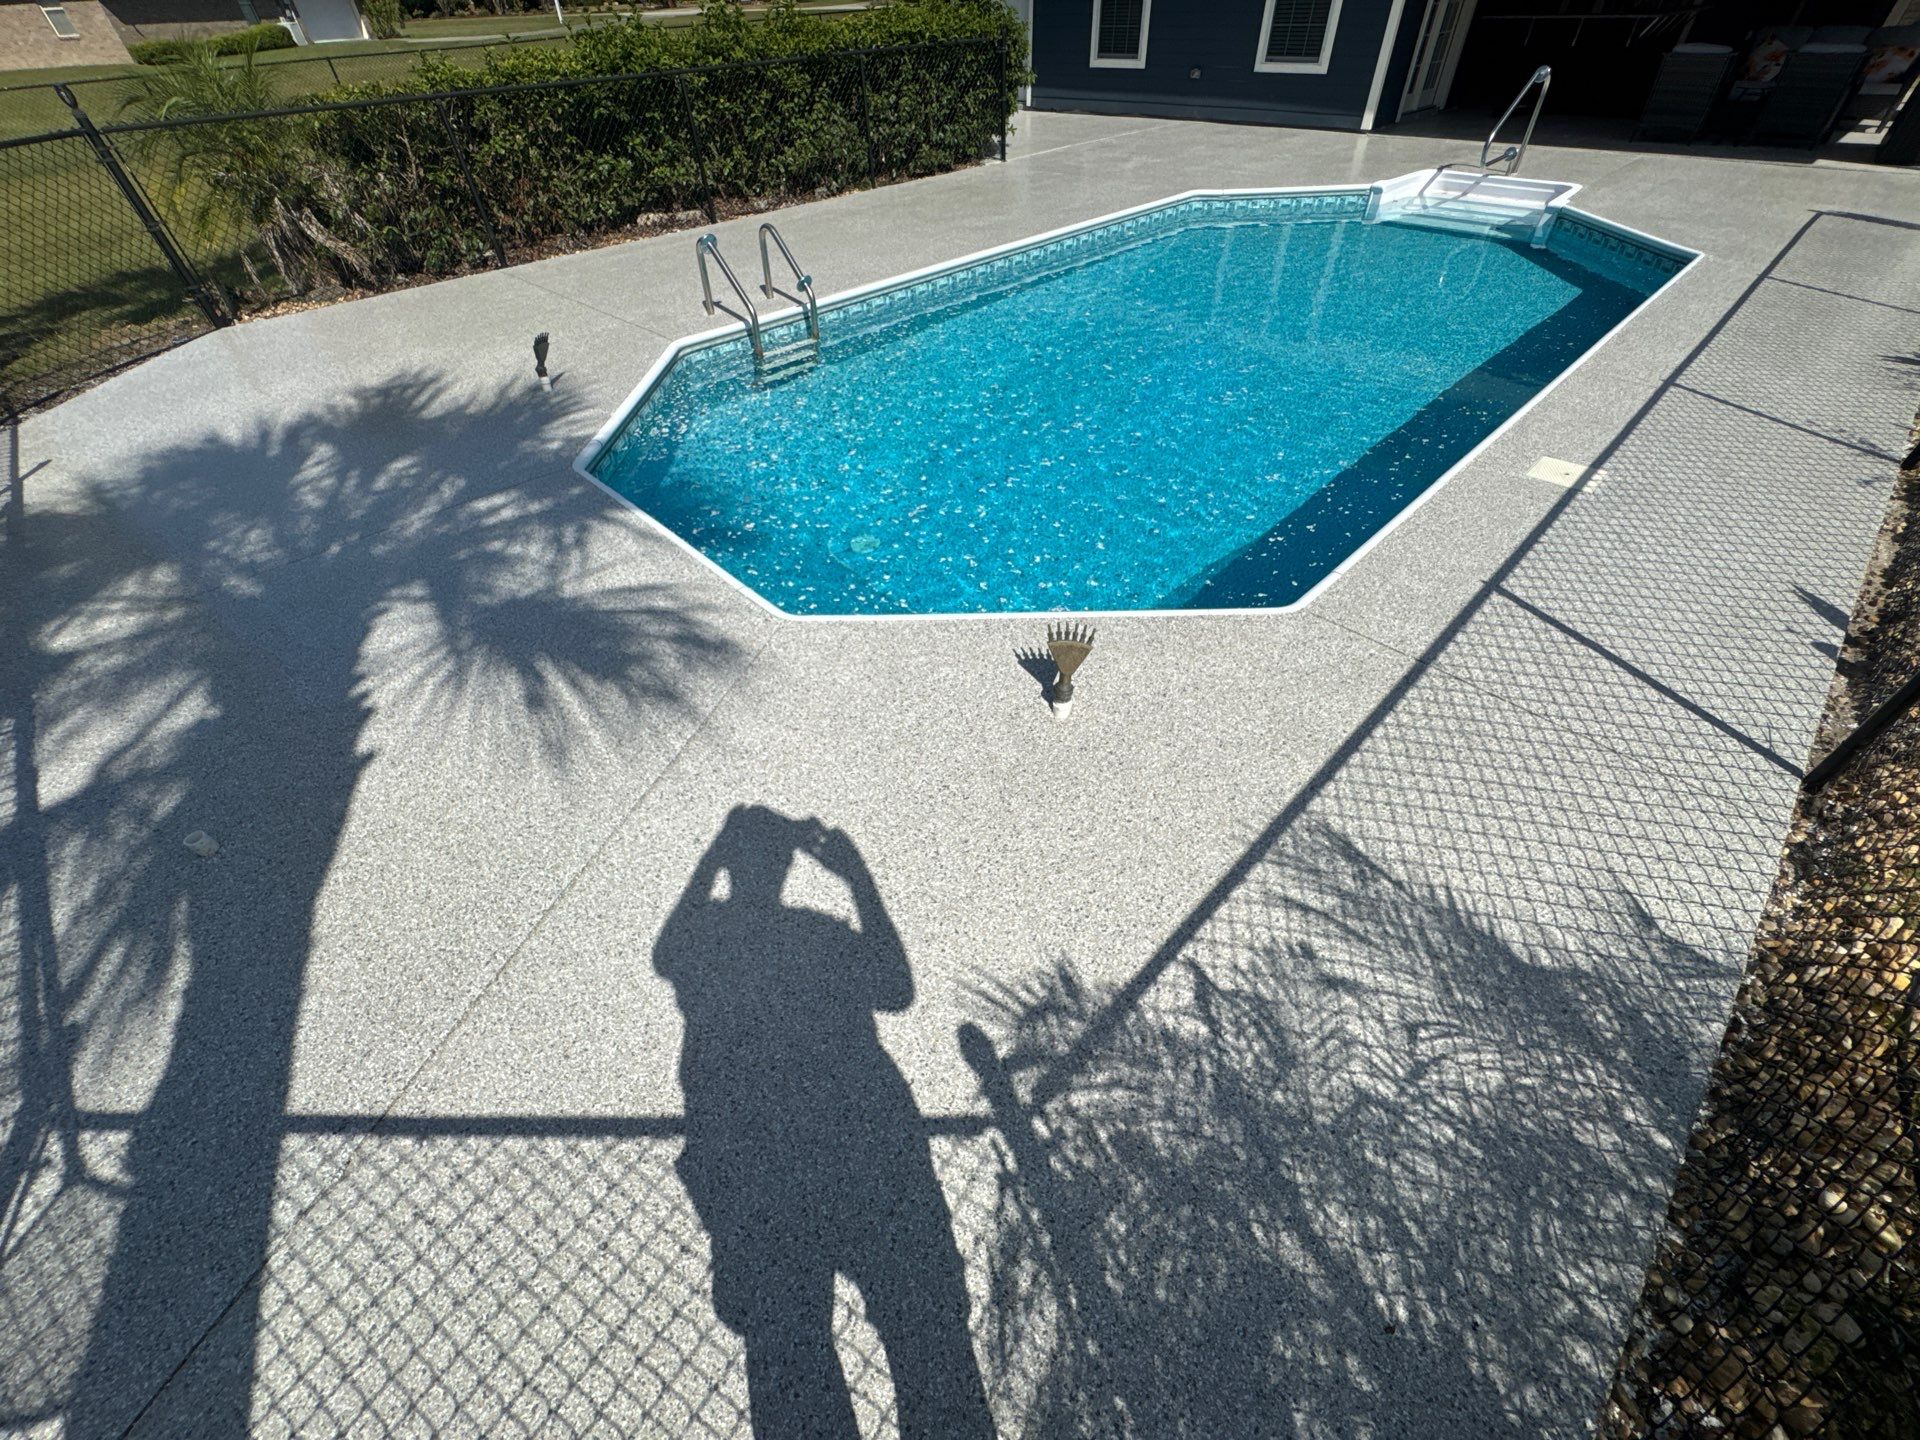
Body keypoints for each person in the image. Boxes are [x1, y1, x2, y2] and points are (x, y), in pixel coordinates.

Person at [653, 805, 994, 1440]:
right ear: (787, 865)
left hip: (760, 1168)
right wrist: (857, 878)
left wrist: (714, 855)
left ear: (735, 863)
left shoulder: (712, 941)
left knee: (789, 1356)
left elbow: (667, 953)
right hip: (867, 1146)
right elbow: (895, 987)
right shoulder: (819, 936)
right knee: (925, 1336)